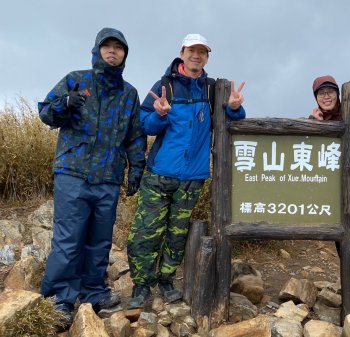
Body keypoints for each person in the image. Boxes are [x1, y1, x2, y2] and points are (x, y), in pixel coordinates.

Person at [126, 33, 246, 308]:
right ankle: (141, 285)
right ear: (182, 53)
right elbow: (146, 126)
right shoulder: (164, 85)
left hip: (193, 178)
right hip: (159, 175)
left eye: (202, 52)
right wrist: (160, 114)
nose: (197, 55)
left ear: (207, 57)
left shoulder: (213, 89)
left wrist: (236, 109)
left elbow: (231, 119)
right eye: (192, 50)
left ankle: (166, 281)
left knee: (177, 234)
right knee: (146, 232)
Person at [38, 27, 147, 327]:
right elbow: (46, 112)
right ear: (97, 50)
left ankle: (93, 292)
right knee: (69, 239)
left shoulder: (129, 94)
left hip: (108, 179)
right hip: (72, 172)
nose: (112, 51)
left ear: (125, 54)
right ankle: (59, 299)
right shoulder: (76, 79)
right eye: (107, 46)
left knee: (99, 242)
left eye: (118, 47)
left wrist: (135, 169)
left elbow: (135, 137)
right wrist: (65, 103)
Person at [309, 75, 350, 256]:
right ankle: (348, 281)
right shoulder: (315, 118)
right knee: (341, 236)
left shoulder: (349, 112)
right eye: (321, 93)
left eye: (330, 91)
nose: (326, 96)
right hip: (330, 185)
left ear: (338, 94)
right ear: (316, 97)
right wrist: (316, 123)